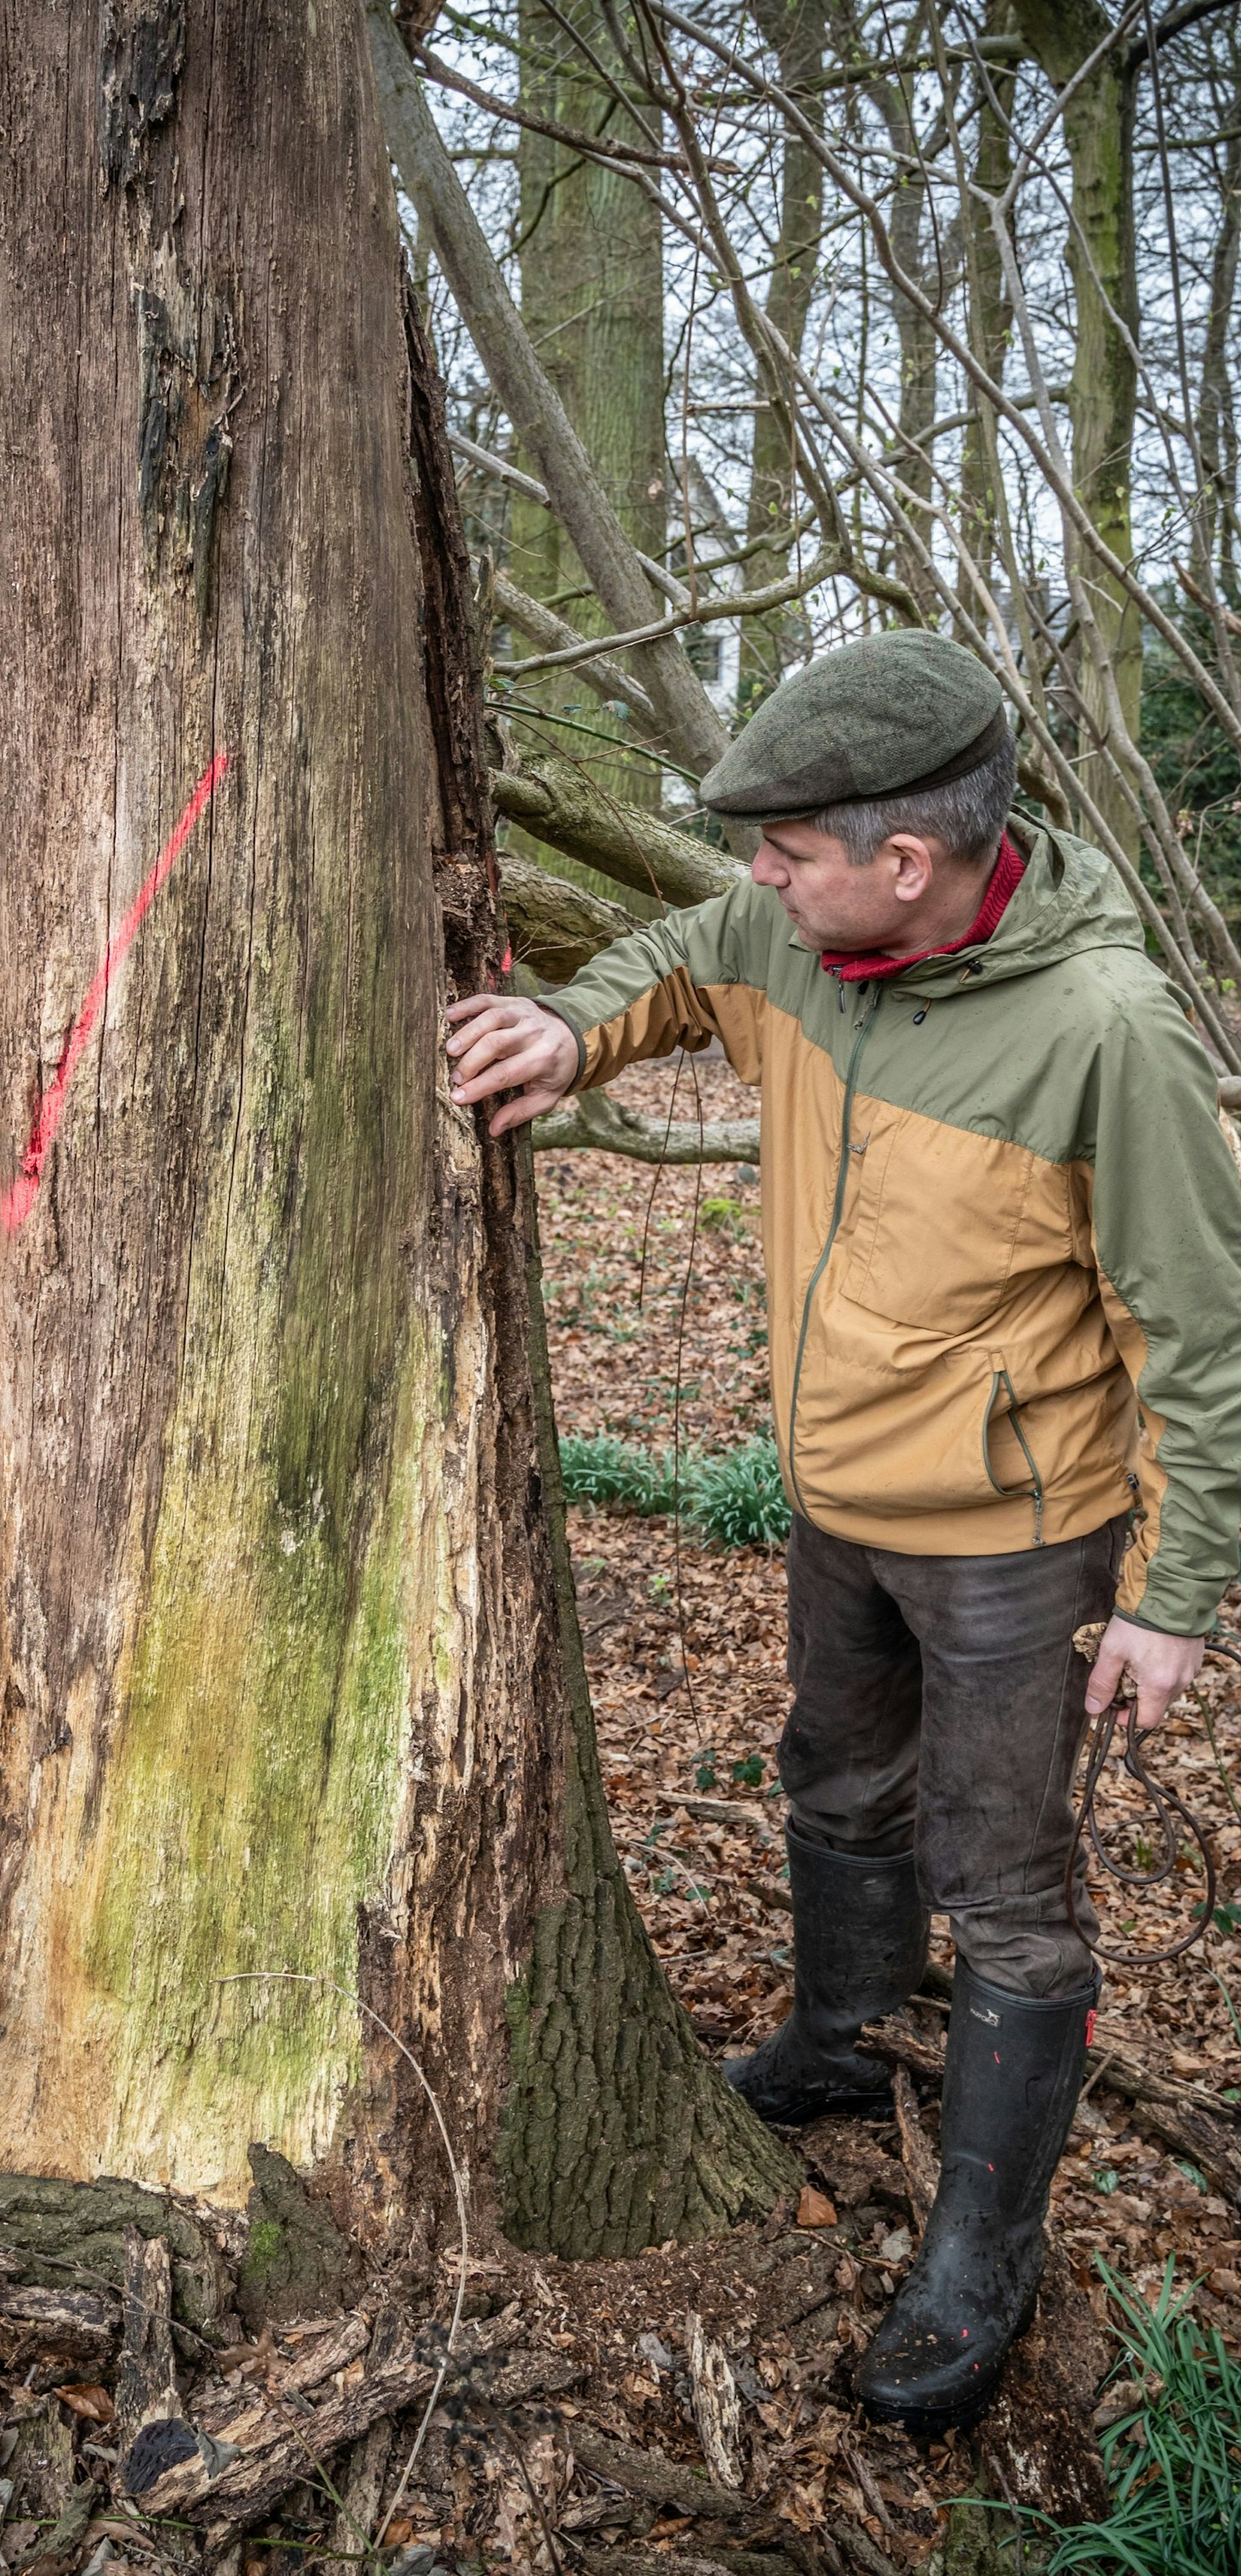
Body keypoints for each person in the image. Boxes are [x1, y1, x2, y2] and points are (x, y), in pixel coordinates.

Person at [447, 630, 1241, 2434]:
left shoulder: (1106, 1032)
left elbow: (1204, 1338)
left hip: (1013, 1539)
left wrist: (1175, 1595)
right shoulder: (807, 937)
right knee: (834, 1777)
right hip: (838, 1504)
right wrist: (570, 1029)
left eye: (789, 848)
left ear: (907, 859)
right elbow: (679, 956)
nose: (757, 877)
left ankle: (979, 2249)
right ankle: (838, 2040)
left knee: (1006, 1882)